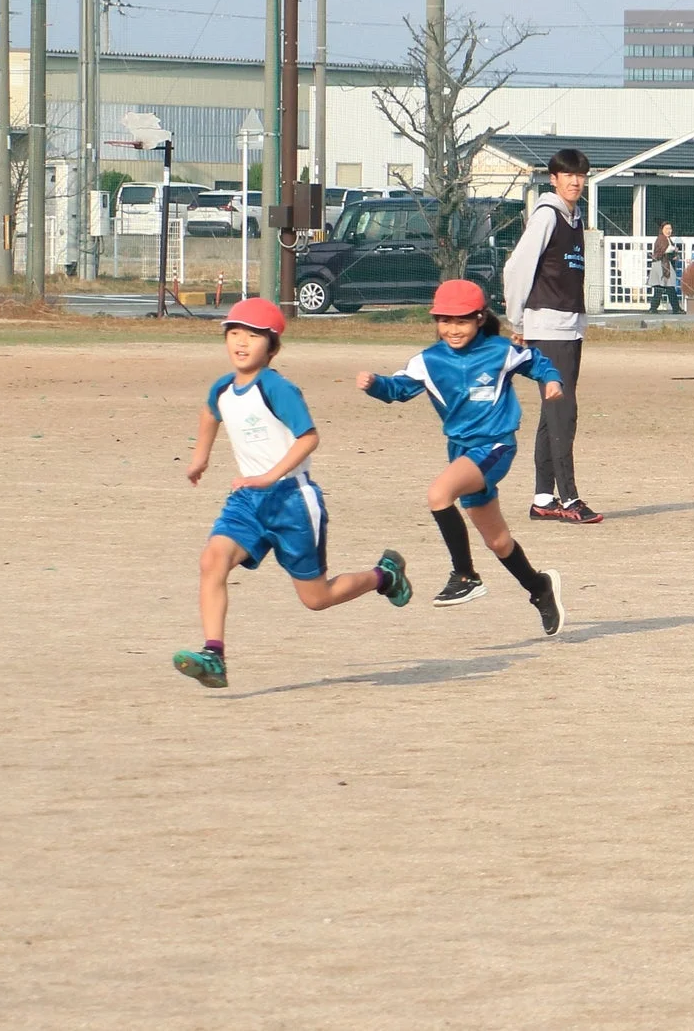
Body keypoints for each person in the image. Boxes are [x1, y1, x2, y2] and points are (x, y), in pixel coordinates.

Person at [174, 298, 413, 689]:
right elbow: (209, 413)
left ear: (272, 345)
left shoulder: (277, 387)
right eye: (234, 333)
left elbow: (309, 438)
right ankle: (213, 655)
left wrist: (269, 476)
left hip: (292, 502)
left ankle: (383, 576)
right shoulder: (222, 386)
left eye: (252, 336)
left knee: (316, 599)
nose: (240, 342)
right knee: (211, 562)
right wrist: (199, 459)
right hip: (248, 501)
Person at [358, 280, 568, 637]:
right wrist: (375, 384)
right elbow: (398, 389)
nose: (453, 329)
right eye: (445, 321)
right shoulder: (428, 361)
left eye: (462, 321)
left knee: (439, 494)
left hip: (496, 446)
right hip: (461, 452)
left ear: (480, 318)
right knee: (499, 542)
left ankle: (466, 575)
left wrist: (552, 380)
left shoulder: (500, 351)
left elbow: (537, 361)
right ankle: (539, 588)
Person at [503, 147, 602, 525]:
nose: (576, 181)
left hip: (569, 328)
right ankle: (569, 498)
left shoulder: (574, 219)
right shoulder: (547, 216)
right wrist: (518, 323)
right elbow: (516, 269)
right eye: (568, 175)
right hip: (546, 327)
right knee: (564, 411)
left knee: (552, 411)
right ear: (554, 178)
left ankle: (544, 498)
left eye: (581, 175)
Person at [649, 221, 684, 314]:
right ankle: (674, 308)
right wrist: (674, 249)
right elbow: (663, 250)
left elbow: (667, 253)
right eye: (667, 229)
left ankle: (654, 308)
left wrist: (674, 256)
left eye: (670, 229)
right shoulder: (661, 239)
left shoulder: (668, 239)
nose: (669, 231)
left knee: (665, 287)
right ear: (662, 230)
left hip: (665, 265)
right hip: (660, 265)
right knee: (663, 287)